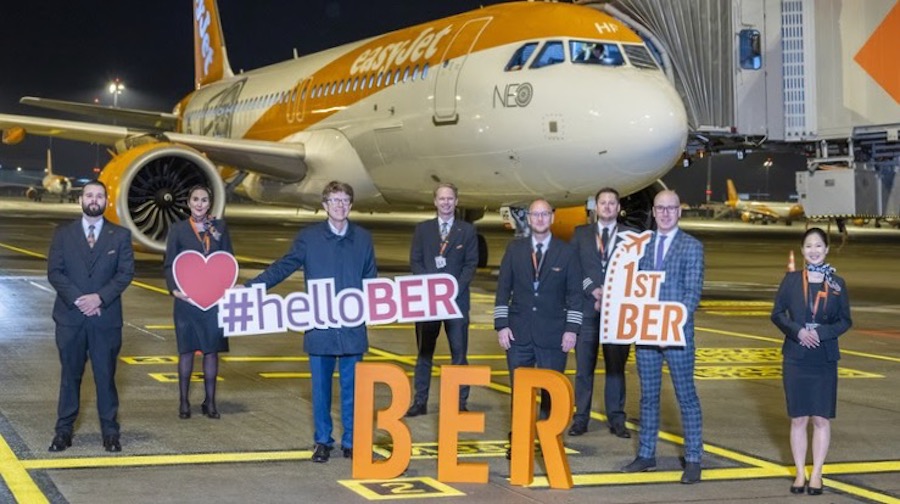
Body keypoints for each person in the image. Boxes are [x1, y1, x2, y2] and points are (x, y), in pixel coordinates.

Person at [244, 181, 376, 463]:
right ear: (325, 205)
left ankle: (352, 441)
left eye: (344, 200)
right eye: (334, 200)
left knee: (354, 389)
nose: (339, 205)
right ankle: (323, 441)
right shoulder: (309, 238)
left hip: (353, 327)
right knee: (320, 389)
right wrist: (252, 288)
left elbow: (370, 280)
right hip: (320, 326)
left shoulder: (363, 238)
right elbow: (284, 265)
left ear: (350, 205)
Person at [621, 190, 704, 484]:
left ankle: (693, 459)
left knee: (686, 397)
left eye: (671, 208)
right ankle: (646, 455)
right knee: (648, 398)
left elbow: (692, 294)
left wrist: (671, 327)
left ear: (679, 212)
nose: (666, 213)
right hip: (645, 334)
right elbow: (631, 287)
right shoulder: (641, 246)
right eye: (660, 208)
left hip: (676, 336)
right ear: (653, 213)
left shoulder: (692, 247)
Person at [46, 180, 135, 453]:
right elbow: (55, 272)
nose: (93, 199)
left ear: (106, 201)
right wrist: (79, 299)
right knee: (69, 377)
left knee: (105, 377)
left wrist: (100, 298)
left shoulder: (119, 236)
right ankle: (63, 432)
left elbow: (125, 273)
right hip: (71, 318)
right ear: (80, 200)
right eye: (89, 195)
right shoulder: (63, 234)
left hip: (104, 318)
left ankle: (110, 432)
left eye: (99, 196)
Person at [494, 199, 582, 458]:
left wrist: (571, 330)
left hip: (554, 336)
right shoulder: (515, 249)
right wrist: (501, 325)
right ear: (529, 219)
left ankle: (548, 439)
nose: (540, 219)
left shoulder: (566, 253)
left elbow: (575, 295)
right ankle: (519, 440)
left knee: (551, 394)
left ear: (552, 218)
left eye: (545, 214)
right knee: (520, 392)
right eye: (536, 215)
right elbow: (502, 291)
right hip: (519, 334)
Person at [771, 228, 851, 496]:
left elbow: (845, 320)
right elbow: (777, 313)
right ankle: (799, 472)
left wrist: (820, 333)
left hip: (823, 356)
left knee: (821, 418)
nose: (814, 250)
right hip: (796, 355)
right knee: (798, 418)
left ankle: (816, 473)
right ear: (803, 250)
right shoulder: (792, 280)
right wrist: (798, 331)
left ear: (826, 249)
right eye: (808, 246)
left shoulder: (837, 284)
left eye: (818, 246)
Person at [405, 183, 479, 417]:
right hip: (428, 302)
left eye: (450, 199)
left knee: (459, 355)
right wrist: (431, 289)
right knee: (424, 353)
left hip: (456, 303)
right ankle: (420, 401)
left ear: (456, 202)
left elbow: (470, 264)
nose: (446, 202)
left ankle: (460, 401)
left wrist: (453, 290)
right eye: (442, 199)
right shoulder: (423, 230)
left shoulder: (467, 231)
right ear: (435, 202)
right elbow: (415, 261)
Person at [568, 188, 636, 438]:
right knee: (583, 368)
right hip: (588, 311)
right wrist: (592, 290)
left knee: (616, 368)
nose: (607, 207)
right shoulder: (580, 234)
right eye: (603, 203)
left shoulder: (633, 237)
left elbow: (638, 273)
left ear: (618, 208)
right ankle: (580, 418)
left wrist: (614, 293)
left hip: (618, 314)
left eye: (611, 203)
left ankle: (617, 419)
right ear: (595, 207)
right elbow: (572, 268)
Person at [163, 185, 233, 420]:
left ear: (209, 204)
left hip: (214, 300)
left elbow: (228, 260)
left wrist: (227, 289)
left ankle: (210, 402)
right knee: (187, 351)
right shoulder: (178, 230)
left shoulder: (220, 228)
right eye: (195, 199)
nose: (200, 204)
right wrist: (175, 290)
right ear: (188, 202)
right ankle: (184, 402)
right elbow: (169, 263)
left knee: (211, 352)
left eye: (204, 200)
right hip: (187, 300)